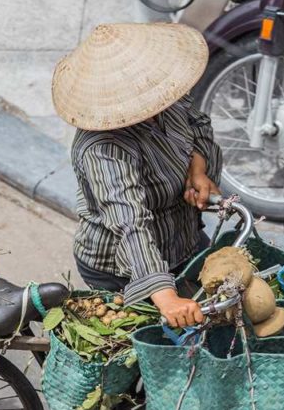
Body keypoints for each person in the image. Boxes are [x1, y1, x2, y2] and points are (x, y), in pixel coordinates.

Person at [51, 22, 223, 329]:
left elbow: (199, 125)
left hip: (183, 238)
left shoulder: (167, 95)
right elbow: (130, 223)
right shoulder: (103, 148)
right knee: (145, 350)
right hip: (123, 265)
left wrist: (198, 170)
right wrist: (165, 295)